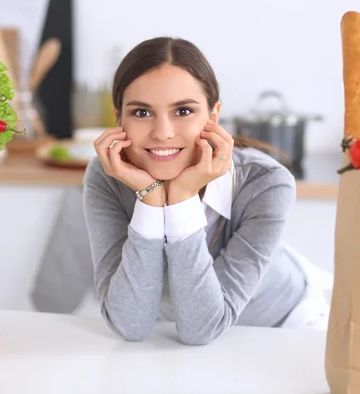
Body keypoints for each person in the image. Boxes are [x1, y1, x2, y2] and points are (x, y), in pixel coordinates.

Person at [82, 37, 331, 345]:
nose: (162, 133)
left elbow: (203, 329)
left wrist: (182, 199)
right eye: (142, 113)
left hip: (284, 330)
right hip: (182, 336)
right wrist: (150, 200)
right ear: (118, 118)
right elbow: (129, 326)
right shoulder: (107, 175)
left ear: (213, 117)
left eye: (183, 111)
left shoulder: (266, 183)